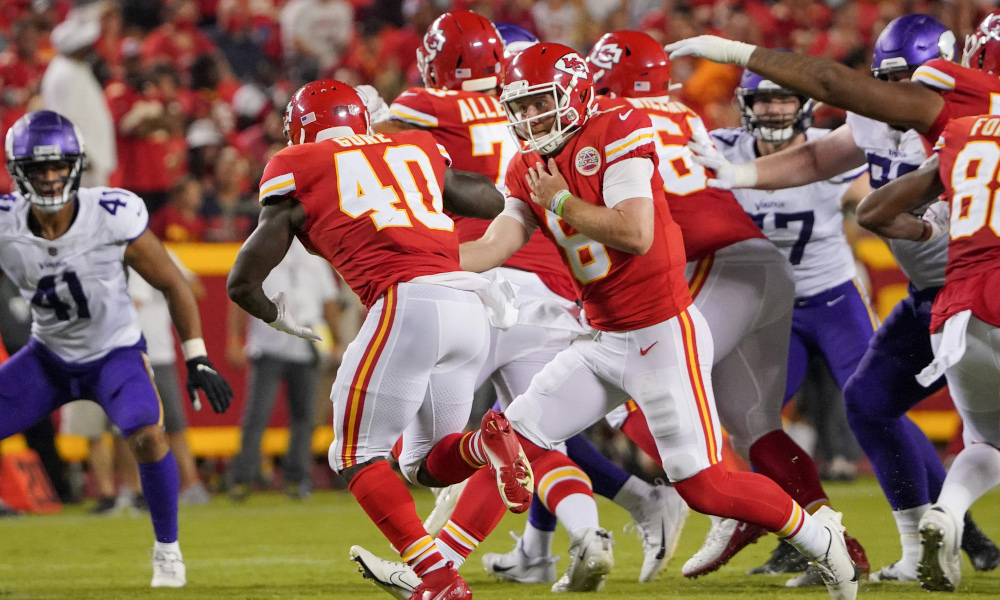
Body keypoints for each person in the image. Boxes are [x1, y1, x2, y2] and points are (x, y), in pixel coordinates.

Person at [461, 42, 859, 600]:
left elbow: (636, 233)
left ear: (574, 94)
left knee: (707, 487)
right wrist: (423, 262)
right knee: (514, 438)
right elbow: (498, 240)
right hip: (599, 337)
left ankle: (821, 535)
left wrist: (560, 203)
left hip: (660, 333)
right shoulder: (526, 163)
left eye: (539, 103)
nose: (529, 118)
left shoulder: (618, 125)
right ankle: (432, 569)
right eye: (520, 107)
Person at [686, 14, 1000, 581]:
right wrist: (739, 176)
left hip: (960, 287)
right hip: (936, 292)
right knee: (870, 405)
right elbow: (818, 162)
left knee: (977, 433)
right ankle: (922, 544)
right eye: (886, 79)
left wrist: (735, 49)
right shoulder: (896, 120)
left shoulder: (961, 113)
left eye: (907, 79)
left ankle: (960, 528)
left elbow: (832, 88)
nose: (894, 94)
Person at [364, 12, 661, 590]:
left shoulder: (429, 104)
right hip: (555, 284)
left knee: (429, 453)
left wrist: (369, 122)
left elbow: (376, 162)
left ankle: (430, 558)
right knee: (529, 431)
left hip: (478, 278)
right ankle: (585, 533)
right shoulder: (540, 113)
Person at [226, 79, 531, 600]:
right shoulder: (412, 146)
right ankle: (485, 443)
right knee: (424, 464)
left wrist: (276, 317)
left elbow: (242, 280)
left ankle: (436, 579)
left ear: (300, 129)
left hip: (406, 304)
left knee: (352, 453)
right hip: (466, 304)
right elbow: (488, 199)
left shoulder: (296, 164)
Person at [0, 110, 233, 587]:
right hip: (49, 357)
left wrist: (197, 355)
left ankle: (167, 551)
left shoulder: (110, 215)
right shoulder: (6, 224)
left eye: (58, 165)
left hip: (115, 355)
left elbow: (173, 284)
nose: (49, 177)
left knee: (148, 434)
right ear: (17, 171)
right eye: (39, 167)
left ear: (76, 166)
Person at [678, 63, 874, 585]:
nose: (774, 108)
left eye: (786, 97)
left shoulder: (830, 148)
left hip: (827, 296)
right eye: (763, 99)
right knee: (748, 425)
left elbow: (876, 190)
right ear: (745, 107)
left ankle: (953, 525)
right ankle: (796, 528)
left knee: (878, 408)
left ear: (805, 103)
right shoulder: (718, 146)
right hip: (760, 303)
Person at [855, 112, 1000, 593]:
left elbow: (874, 213)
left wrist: (925, 229)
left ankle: (947, 513)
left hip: (957, 310)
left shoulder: (961, 136)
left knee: (986, 441)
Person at [226, 238, 341, 501]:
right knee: (257, 414)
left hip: (307, 346)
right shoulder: (260, 249)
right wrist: (234, 338)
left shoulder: (314, 255)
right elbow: (240, 292)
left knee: (304, 417)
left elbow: (328, 301)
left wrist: (336, 339)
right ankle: (243, 477)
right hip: (268, 345)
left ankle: (298, 478)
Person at [128, 252, 212, 506]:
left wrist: (167, 285)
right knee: (128, 426)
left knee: (174, 423)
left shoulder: (160, 253)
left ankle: (191, 485)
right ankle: (136, 491)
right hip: (126, 354)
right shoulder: (108, 253)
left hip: (160, 352)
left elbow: (196, 289)